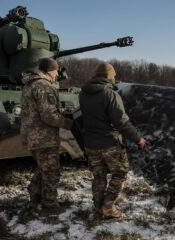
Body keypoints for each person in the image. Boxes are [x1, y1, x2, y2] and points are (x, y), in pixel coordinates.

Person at [79, 63, 146, 218]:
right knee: (120, 173)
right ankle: (108, 206)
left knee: (99, 176)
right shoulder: (110, 95)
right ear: (109, 76)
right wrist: (138, 139)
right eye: (113, 76)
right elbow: (121, 122)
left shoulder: (83, 93)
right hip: (109, 143)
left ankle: (98, 208)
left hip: (90, 143)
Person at [20, 58, 73, 215]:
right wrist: (68, 123)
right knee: (51, 171)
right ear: (50, 70)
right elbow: (49, 115)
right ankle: (49, 205)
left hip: (34, 135)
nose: (57, 74)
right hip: (43, 136)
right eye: (56, 71)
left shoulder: (30, 84)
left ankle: (35, 194)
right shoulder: (43, 86)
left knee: (44, 168)